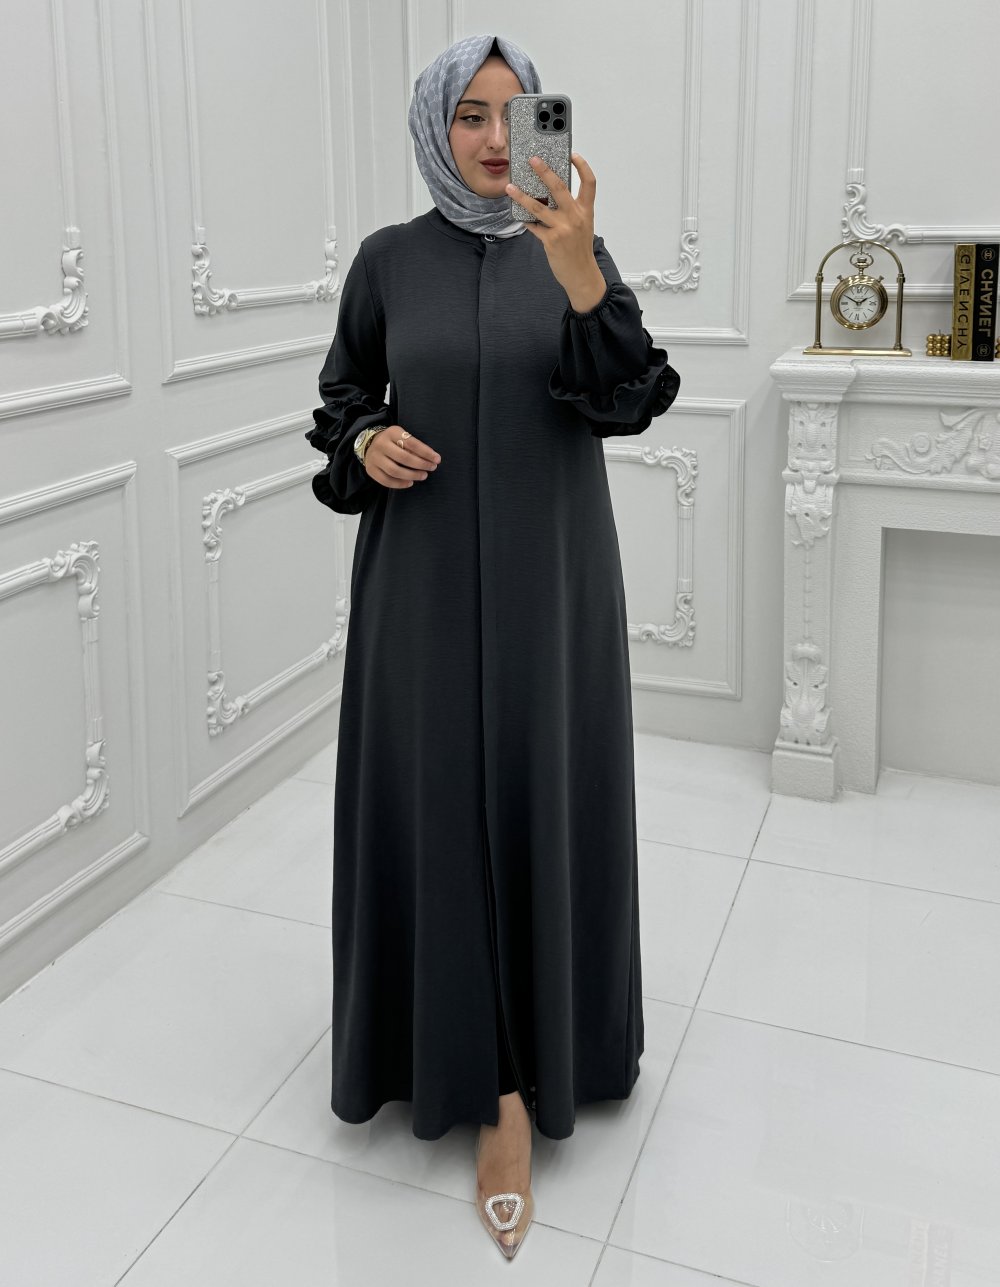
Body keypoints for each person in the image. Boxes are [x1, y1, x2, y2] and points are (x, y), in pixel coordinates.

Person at [305, 33, 680, 1259]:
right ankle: (451, 1061)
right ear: (435, 126)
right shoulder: (387, 260)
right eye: (468, 114)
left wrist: (578, 275)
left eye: (515, 116)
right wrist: (365, 443)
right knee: (431, 803)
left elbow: (629, 398)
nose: (489, 139)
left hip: (549, 580)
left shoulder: (574, 249)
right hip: (416, 585)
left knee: (540, 793)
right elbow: (343, 400)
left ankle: (524, 1083)